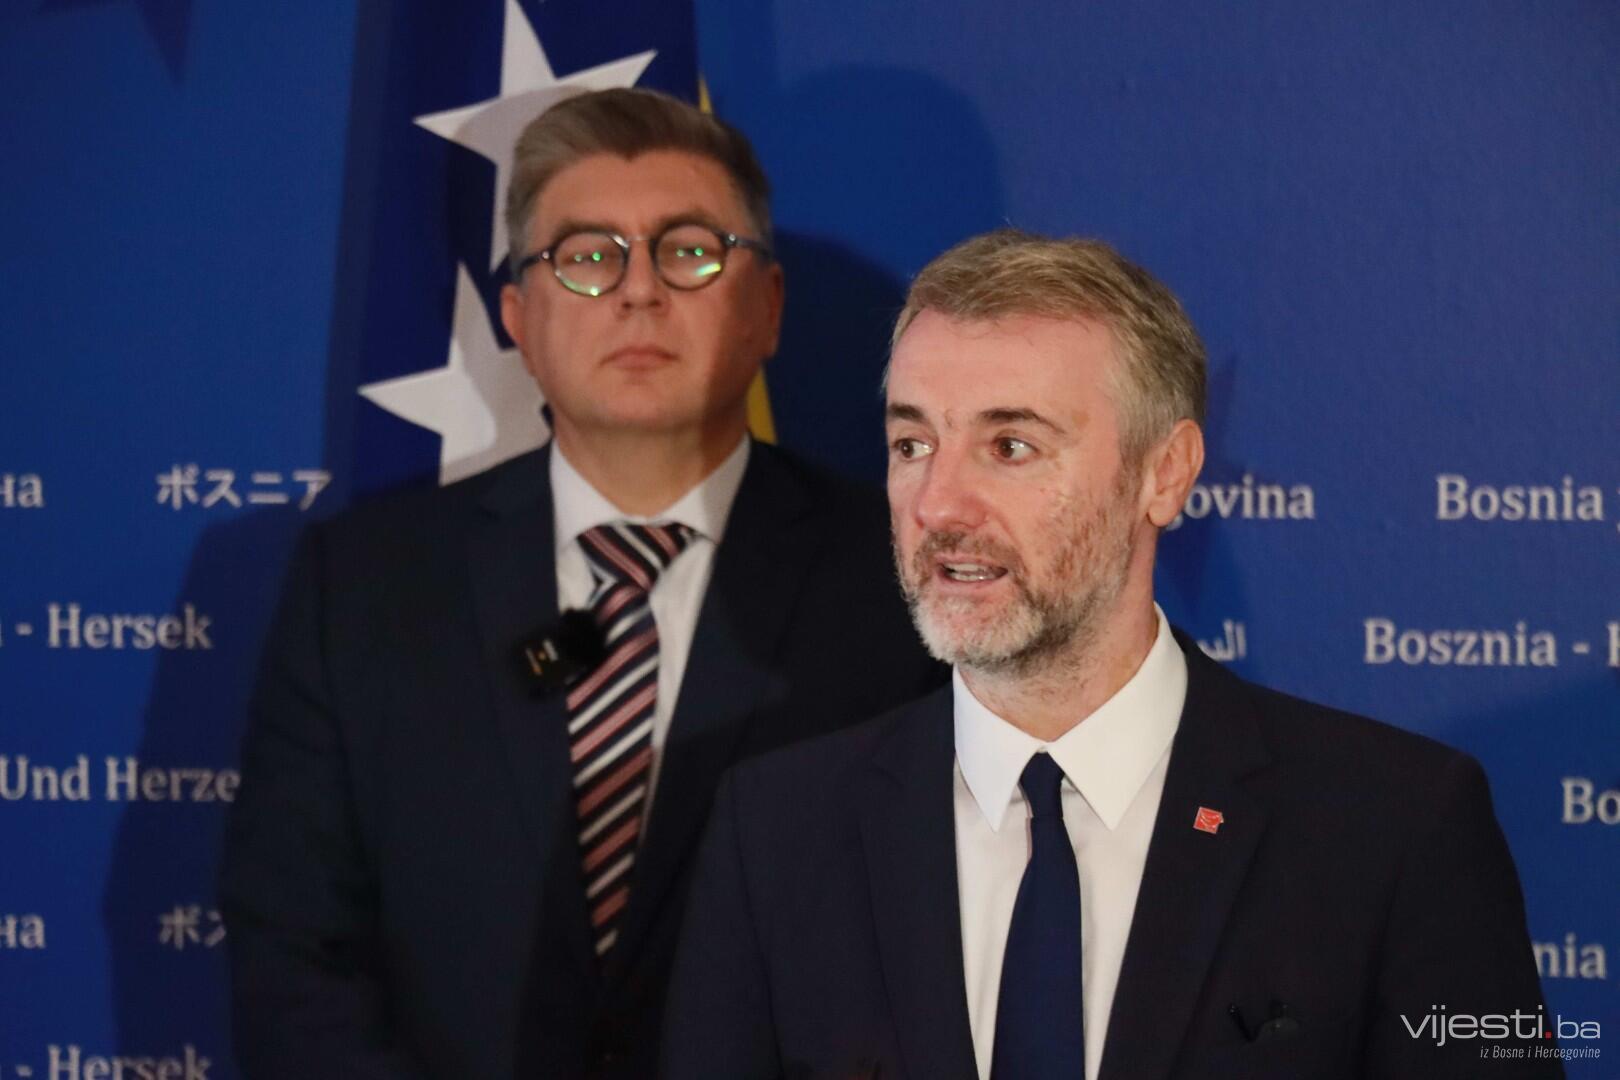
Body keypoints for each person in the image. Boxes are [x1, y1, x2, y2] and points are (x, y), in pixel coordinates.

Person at [662, 229, 1558, 1080]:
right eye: (912, 444)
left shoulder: (1393, 830)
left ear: (1164, 474)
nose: (937, 504)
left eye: (1010, 446)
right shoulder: (777, 833)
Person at [218, 88, 941, 1080]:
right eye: (588, 257)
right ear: (518, 316)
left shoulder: (905, 582)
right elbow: (293, 954)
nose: (639, 291)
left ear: (768, 308)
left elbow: (950, 949)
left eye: (689, 251)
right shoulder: (362, 590)